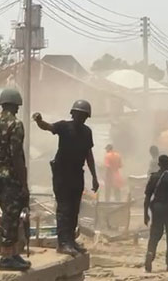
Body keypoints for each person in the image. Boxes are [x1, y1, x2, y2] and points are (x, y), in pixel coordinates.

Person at [32, 100, 99, 257]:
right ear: (73, 113)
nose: (80, 117)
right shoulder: (64, 126)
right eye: (78, 114)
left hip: (77, 173)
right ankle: (63, 243)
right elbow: (48, 127)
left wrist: (95, 177)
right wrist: (39, 121)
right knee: (64, 208)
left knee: (75, 209)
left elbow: (89, 155)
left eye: (83, 115)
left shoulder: (87, 132)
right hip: (62, 173)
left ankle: (70, 240)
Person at [0, 88, 31, 271]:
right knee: (11, 217)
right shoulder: (16, 124)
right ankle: (6, 258)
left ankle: (12, 254)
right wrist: (24, 183)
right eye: (18, 106)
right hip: (12, 176)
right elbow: (16, 155)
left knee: (8, 214)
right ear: (14, 105)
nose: (19, 109)